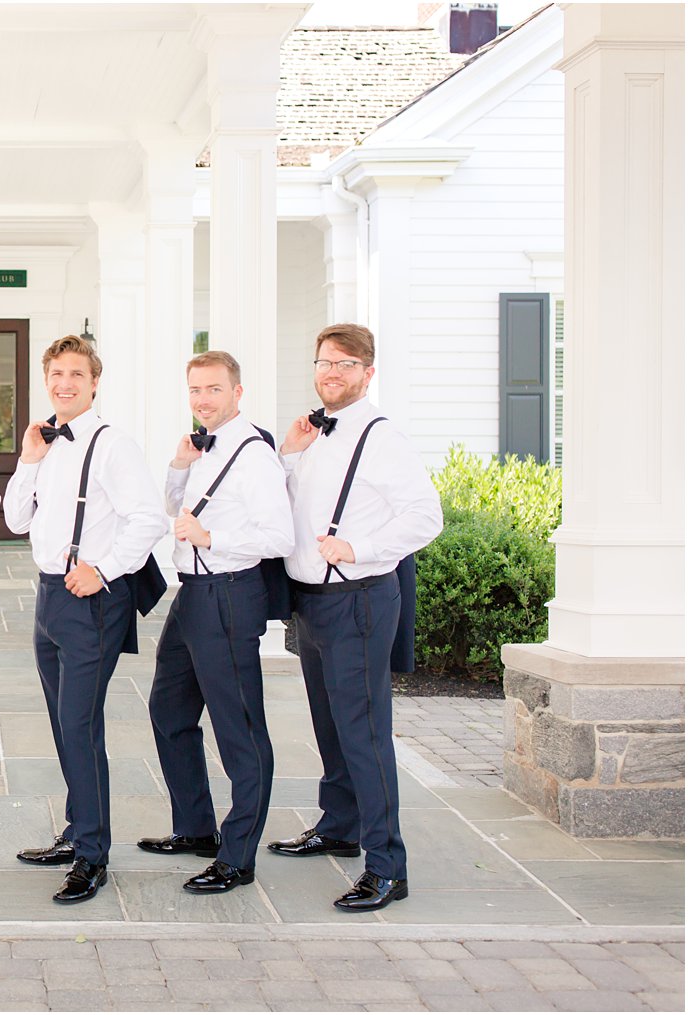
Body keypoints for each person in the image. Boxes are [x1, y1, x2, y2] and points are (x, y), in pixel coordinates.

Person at [268, 323, 442, 912]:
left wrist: (359, 547)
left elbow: (425, 517)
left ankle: (388, 866)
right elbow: (290, 506)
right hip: (312, 602)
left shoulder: (381, 436)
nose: (331, 372)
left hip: (359, 598)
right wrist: (290, 455)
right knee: (329, 723)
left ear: (368, 373)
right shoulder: (312, 434)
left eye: (345, 364)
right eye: (324, 362)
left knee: (364, 733)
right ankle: (339, 823)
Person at [3, 334, 167, 904]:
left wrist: (106, 569)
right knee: (61, 722)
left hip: (91, 600)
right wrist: (27, 461)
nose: (65, 384)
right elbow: (17, 518)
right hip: (49, 598)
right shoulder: (45, 444)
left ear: (95, 382)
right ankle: (77, 829)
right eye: (56, 375)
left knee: (80, 725)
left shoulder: (113, 444)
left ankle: (93, 855)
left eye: (76, 374)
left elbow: (148, 519)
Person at [139, 350, 294, 894]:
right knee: (167, 708)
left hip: (229, 594)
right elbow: (170, 508)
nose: (203, 400)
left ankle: (238, 854)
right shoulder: (201, 446)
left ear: (237, 392)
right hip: (192, 594)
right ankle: (196, 827)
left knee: (239, 727)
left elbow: (280, 537)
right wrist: (179, 466)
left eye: (214, 390)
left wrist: (214, 539)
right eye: (196, 391)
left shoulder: (253, 455)